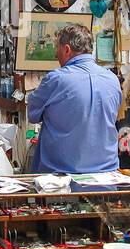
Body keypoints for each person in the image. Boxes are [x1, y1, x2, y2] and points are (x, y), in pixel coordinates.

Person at [26, 23, 122, 174]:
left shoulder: (56, 79)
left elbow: (32, 115)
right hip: (107, 172)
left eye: (57, 48)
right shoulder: (112, 79)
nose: (56, 54)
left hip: (61, 175)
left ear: (66, 49)